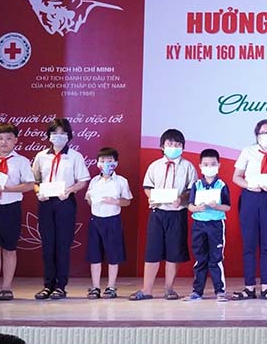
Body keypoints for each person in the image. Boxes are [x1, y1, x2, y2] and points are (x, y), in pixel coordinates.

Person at [129, 129, 198, 301]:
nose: (173, 147)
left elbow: (192, 189)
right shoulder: (154, 166)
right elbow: (148, 187)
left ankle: (169, 289)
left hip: (177, 214)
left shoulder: (188, 167)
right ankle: (147, 290)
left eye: (177, 144)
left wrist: (181, 198)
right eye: (170, 144)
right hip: (157, 213)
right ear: (162, 146)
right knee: (152, 251)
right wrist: (151, 197)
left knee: (173, 252)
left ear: (182, 147)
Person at [230, 119, 267, 300]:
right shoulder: (247, 151)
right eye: (262, 133)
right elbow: (236, 176)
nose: (266, 136)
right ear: (257, 135)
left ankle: (266, 287)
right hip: (250, 198)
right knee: (249, 244)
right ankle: (249, 287)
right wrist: (249, 185)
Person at [31, 118, 90, 300]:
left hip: (65, 202)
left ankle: (60, 286)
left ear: (68, 135)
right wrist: (38, 192)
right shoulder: (41, 156)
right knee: (48, 245)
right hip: (46, 202)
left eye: (62, 133)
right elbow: (34, 180)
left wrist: (70, 190)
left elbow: (82, 180)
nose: (58, 136)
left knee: (63, 245)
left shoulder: (75, 156)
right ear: (48, 135)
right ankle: (47, 285)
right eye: (54, 133)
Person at [0, 123, 35, 302]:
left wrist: (8, 189)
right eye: (0, 138)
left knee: (9, 249)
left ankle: (6, 288)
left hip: (10, 208)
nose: (4, 142)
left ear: (15, 140)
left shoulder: (22, 161)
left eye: (9, 138)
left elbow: (29, 185)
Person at [85, 147, 131, 299]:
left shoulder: (121, 181)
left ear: (116, 163)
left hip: (112, 220)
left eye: (109, 161)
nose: (106, 164)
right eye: (102, 161)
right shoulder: (94, 181)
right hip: (96, 220)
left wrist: (115, 201)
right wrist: (89, 198)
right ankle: (95, 287)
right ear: (98, 163)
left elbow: (127, 201)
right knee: (95, 255)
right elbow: (89, 201)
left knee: (113, 255)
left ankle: (111, 287)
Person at [186, 149, 231, 301]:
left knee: (216, 259)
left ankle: (220, 291)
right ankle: (197, 291)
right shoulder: (196, 185)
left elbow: (227, 207)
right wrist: (196, 208)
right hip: (199, 225)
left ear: (218, 165)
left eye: (213, 164)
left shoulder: (222, 185)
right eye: (206, 164)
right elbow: (190, 205)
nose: (209, 167)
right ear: (200, 166)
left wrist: (216, 206)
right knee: (200, 259)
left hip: (216, 225)